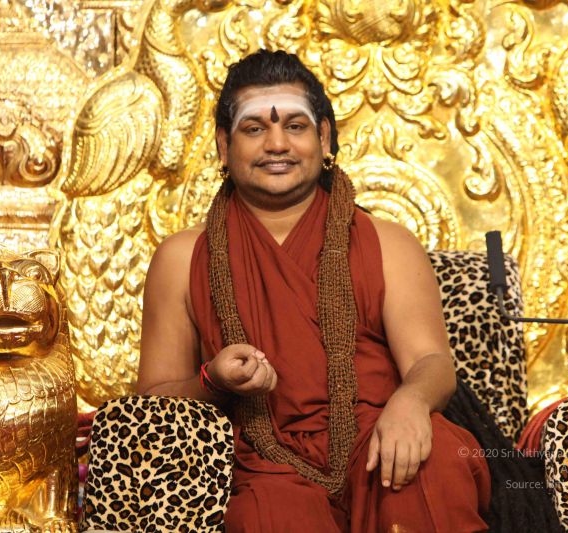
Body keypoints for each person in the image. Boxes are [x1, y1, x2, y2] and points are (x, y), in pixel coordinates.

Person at [136, 49, 491, 532]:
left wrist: (410, 402)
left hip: (376, 439)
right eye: (254, 128)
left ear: (323, 137)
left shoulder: (388, 243)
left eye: (295, 126)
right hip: (259, 459)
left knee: (434, 466)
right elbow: (152, 405)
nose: (276, 144)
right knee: (266, 515)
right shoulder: (182, 257)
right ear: (223, 145)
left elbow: (431, 362)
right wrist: (213, 380)